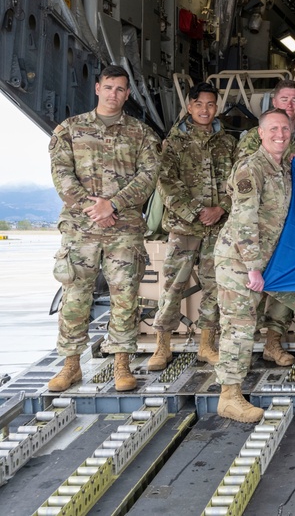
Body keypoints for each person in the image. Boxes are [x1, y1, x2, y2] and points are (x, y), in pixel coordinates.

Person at [214, 108, 295, 422]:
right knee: (239, 327)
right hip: (240, 260)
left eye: (285, 129)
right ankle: (228, 396)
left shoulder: (286, 165)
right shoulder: (250, 168)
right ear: (260, 133)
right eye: (273, 129)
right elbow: (244, 219)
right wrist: (253, 267)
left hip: (275, 262)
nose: (279, 135)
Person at [47, 65, 161, 393]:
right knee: (75, 295)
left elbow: (148, 177)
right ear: (97, 88)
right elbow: (61, 175)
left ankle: (121, 364)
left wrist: (113, 204)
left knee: (124, 296)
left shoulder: (141, 134)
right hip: (81, 229)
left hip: (123, 228)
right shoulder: (69, 130)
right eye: (108, 87)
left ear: (128, 94)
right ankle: (71, 366)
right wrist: (91, 207)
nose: (114, 94)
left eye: (120, 89)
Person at [148, 83, 236, 371]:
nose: (205, 110)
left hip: (218, 228)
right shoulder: (173, 144)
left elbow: (238, 181)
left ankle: (206, 346)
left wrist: (221, 207)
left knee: (215, 287)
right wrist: (196, 212)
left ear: (217, 107)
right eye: (199, 104)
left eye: (211, 105)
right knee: (173, 287)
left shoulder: (228, 143)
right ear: (189, 107)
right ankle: (162, 347)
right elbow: (166, 183)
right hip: (185, 228)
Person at [234, 79, 295, 368]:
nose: (290, 105)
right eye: (285, 99)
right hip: (252, 245)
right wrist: (253, 265)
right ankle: (232, 386)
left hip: (290, 235)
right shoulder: (253, 159)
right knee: (241, 319)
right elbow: (244, 210)